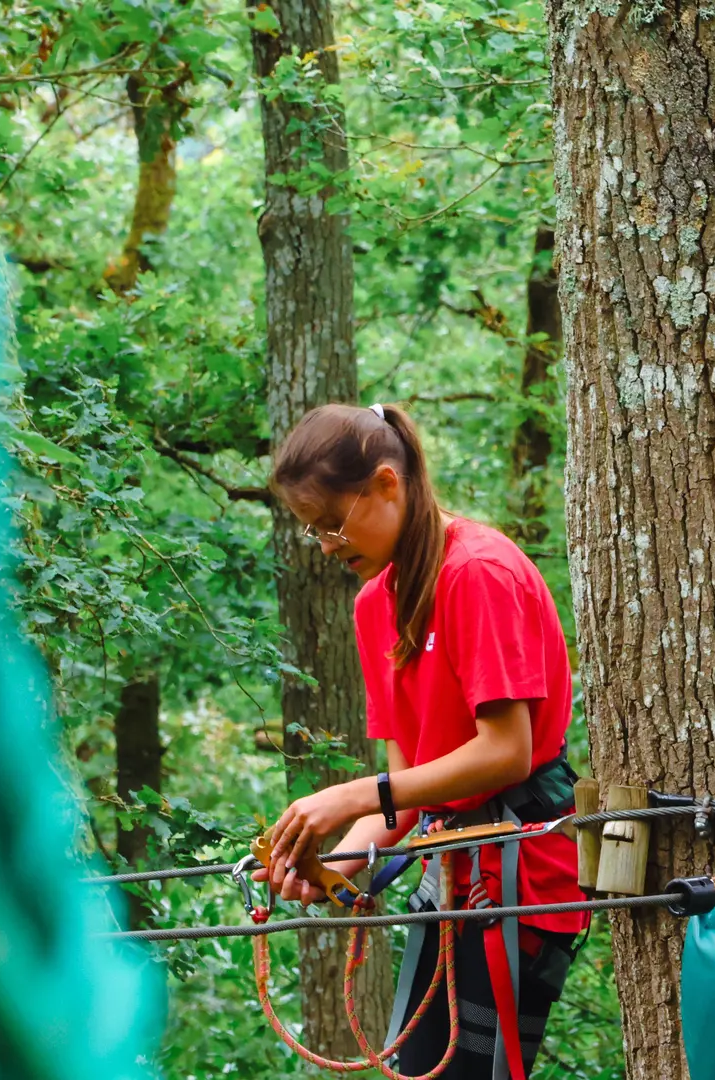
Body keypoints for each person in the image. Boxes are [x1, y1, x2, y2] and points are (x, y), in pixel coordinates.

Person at [254, 401, 585, 1080]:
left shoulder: (478, 573)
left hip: (519, 878)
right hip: (451, 875)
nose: (326, 546)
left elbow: (507, 751)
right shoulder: (375, 604)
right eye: (312, 531)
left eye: (331, 523)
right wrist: (333, 865)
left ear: (387, 484)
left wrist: (350, 796)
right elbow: (402, 797)